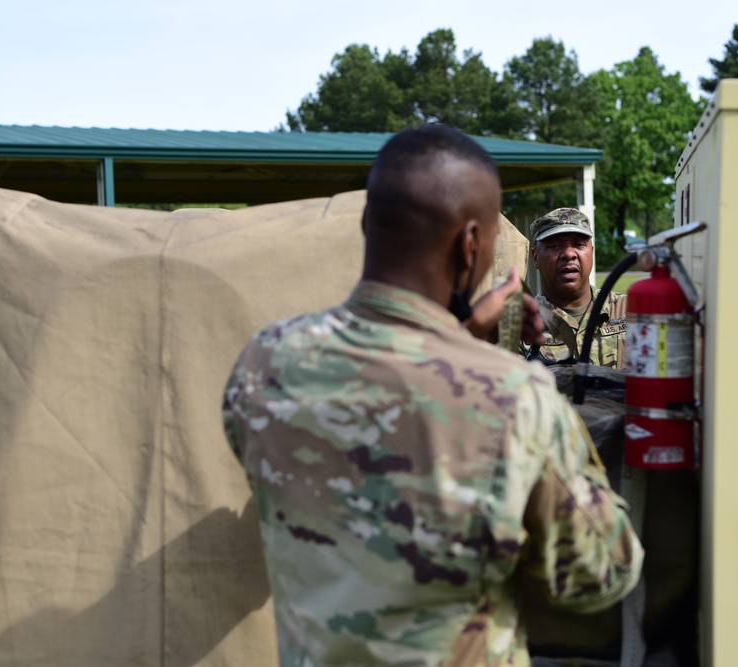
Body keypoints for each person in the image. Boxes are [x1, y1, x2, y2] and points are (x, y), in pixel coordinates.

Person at [222, 124, 643, 667]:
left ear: (368, 224)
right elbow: (601, 573)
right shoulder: (512, 398)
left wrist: (463, 340)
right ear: (471, 245)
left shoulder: (264, 363)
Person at [526, 208, 627, 369]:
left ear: (591, 253)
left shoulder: (630, 310)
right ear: (536, 257)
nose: (568, 254)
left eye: (579, 244)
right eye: (554, 246)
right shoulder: (522, 327)